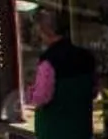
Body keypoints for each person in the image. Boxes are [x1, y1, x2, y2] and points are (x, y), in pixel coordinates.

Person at [24, 9, 98, 139]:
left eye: (39, 31)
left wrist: (29, 93)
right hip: (81, 128)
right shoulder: (86, 57)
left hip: (54, 129)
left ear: (46, 31)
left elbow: (41, 98)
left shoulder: (48, 61)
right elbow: (94, 91)